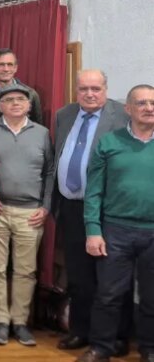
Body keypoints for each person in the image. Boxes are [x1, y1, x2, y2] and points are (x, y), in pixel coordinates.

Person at [53, 69, 132, 354]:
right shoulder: (64, 114)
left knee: (113, 276)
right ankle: (80, 330)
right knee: (79, 276)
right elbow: (58, 155)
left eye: (95, 88)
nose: (89, 94)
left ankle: (117, 336)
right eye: (84, 88)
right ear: (76, 89)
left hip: (109, 210)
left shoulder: (122, 116)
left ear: (106, 89)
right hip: (72, 208)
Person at [77, 84, 154, 362]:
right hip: (115, 231)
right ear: (128, 109)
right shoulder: (109, 142)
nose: (148, 108)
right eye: (141, 103)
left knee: (151, 298)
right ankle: (101, 348)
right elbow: (94, 191)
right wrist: (93, 231)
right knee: (108, 295)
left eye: (152, 103)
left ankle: (149, 349)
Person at [0, 84, 54, 347]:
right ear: (0, 106)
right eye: (9, 100)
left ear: (29, 105)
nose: (15, 103)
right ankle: (0, 321)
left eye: (21, 99)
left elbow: (50, 173)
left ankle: (20, 322)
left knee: (26, 271)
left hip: (30, 213)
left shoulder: (42, 134)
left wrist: (45, 207)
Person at [0, 48, 44, 124]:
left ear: (15, 68)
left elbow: (37, 126)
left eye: (10, 64)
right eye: (1, 65)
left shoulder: (30, 94)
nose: (6, 69)